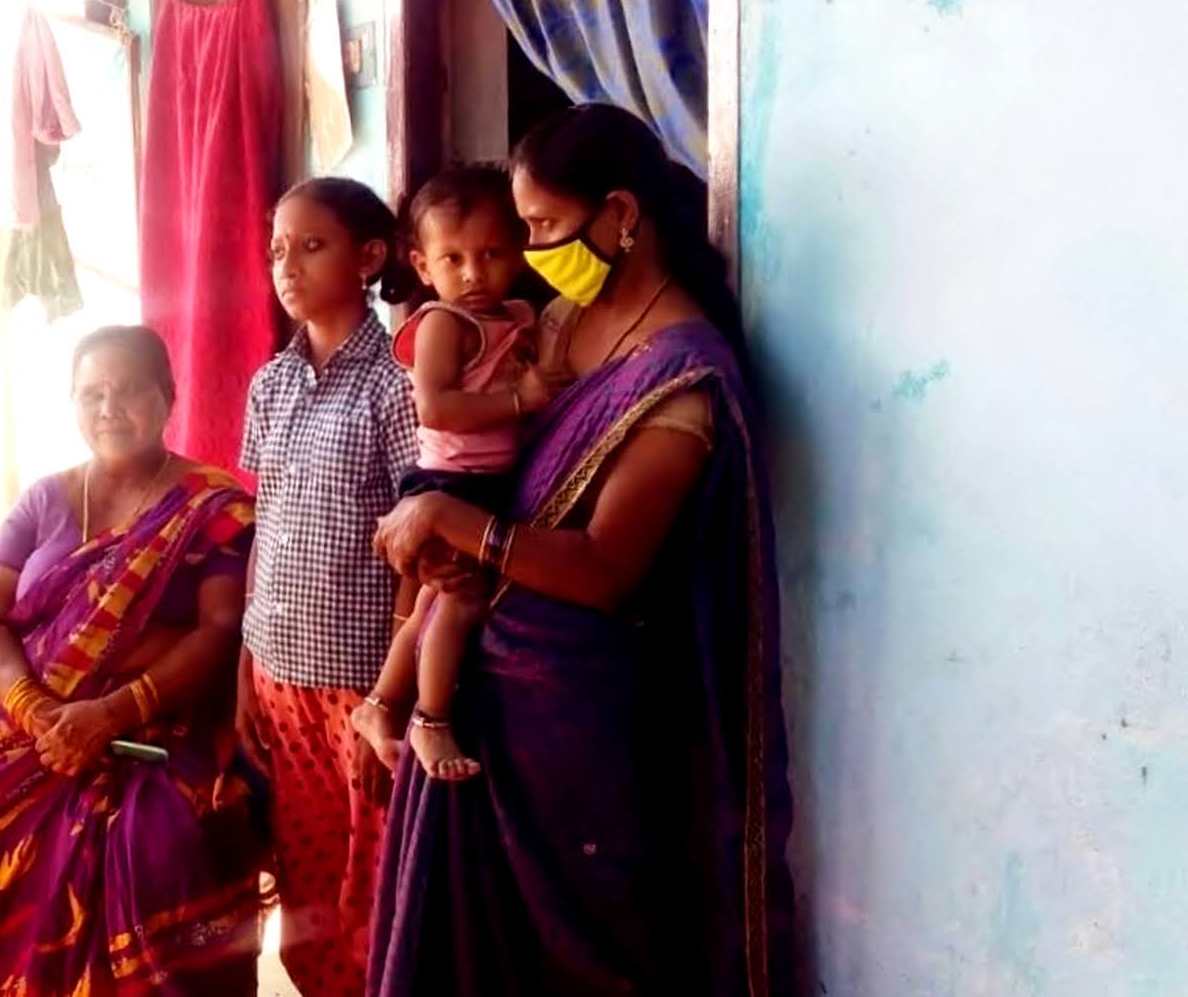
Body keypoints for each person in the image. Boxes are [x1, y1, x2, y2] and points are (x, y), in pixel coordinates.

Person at [365, 103, 795, 995]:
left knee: (567, 962)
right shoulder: (560, 324)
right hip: (484, 690)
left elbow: (604, 568)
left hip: (576, 719)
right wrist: (445, 549)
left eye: (542, 226)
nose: (528, 249)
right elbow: (493, 462)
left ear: (620, 214)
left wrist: (459, 525)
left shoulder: (680, 379)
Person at [0, 325, 264, 996]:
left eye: (129, 390)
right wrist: (36, 710)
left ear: (168, 396)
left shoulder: (212, 506)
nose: (109, 408)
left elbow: (221, 627)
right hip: (29, 726)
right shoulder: (45, 499)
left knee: (156, 847)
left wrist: (109, 713)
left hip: (157, 728)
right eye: (92, 394)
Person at [236, 177, 419, 996]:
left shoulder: (396, 383)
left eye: (311, 246)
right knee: (305, 874)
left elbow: (421, 544)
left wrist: (392, 695)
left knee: (375, 880)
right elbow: (265, 523)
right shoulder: (270, 383)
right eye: (278, 249)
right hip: (278, 675)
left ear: (368, 256)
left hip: (363, 682)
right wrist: (245, 665)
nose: (288, 266)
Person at [351, 163, 563, 782]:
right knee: (461, 599)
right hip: (449, 483)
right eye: (453, 259)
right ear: (423, 266)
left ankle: (379, 703)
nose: (473, 273)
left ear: (519, 250)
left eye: (491, 254)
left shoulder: (519, 314)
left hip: (488, 483)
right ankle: (431, 717)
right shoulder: (444, 324)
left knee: (430, 603)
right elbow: (436, 407)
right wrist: (521, 401)